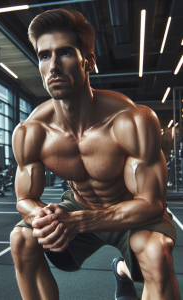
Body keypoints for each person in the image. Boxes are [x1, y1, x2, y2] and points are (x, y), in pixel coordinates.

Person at [10, 9, 179, 300]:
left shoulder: (132, 121)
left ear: (89, 61)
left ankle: (124, 269)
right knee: (22, 238)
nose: (53, 66)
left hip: (131, 210)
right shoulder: (31, 132)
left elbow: (152, 204)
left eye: (64, 53)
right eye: (44, 55)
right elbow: (24, 199)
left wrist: (79, 222)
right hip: (79, 204)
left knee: (153, 250)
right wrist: (46, 219)